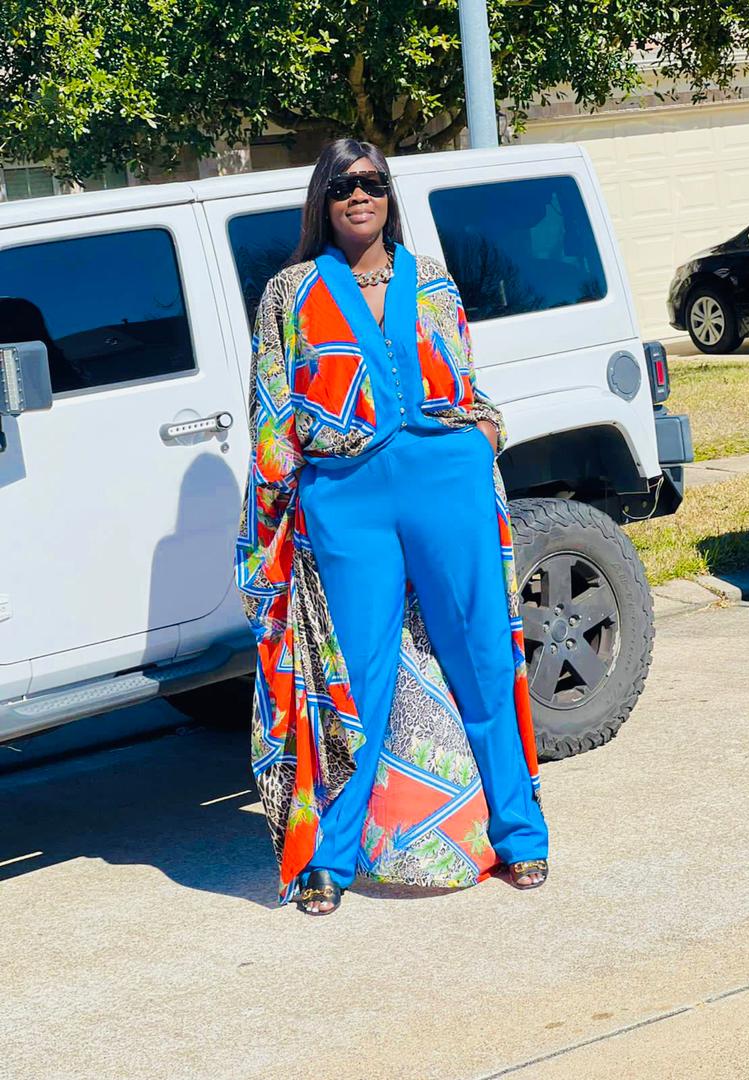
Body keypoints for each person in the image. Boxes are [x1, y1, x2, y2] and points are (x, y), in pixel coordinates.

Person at [234, 137, 550, 916]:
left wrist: (483, 435)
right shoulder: (289, 291)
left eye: (372, 182)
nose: (359, 194)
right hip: (347, 497)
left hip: (446, 481)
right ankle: (331, 857)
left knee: (481, 654)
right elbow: (271, 407)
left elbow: (464, 378)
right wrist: (278, 509)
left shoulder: (432, 278)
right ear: (322, 199)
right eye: (343, 184)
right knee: (358, 676)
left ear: (388, 194)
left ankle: (520, 833)